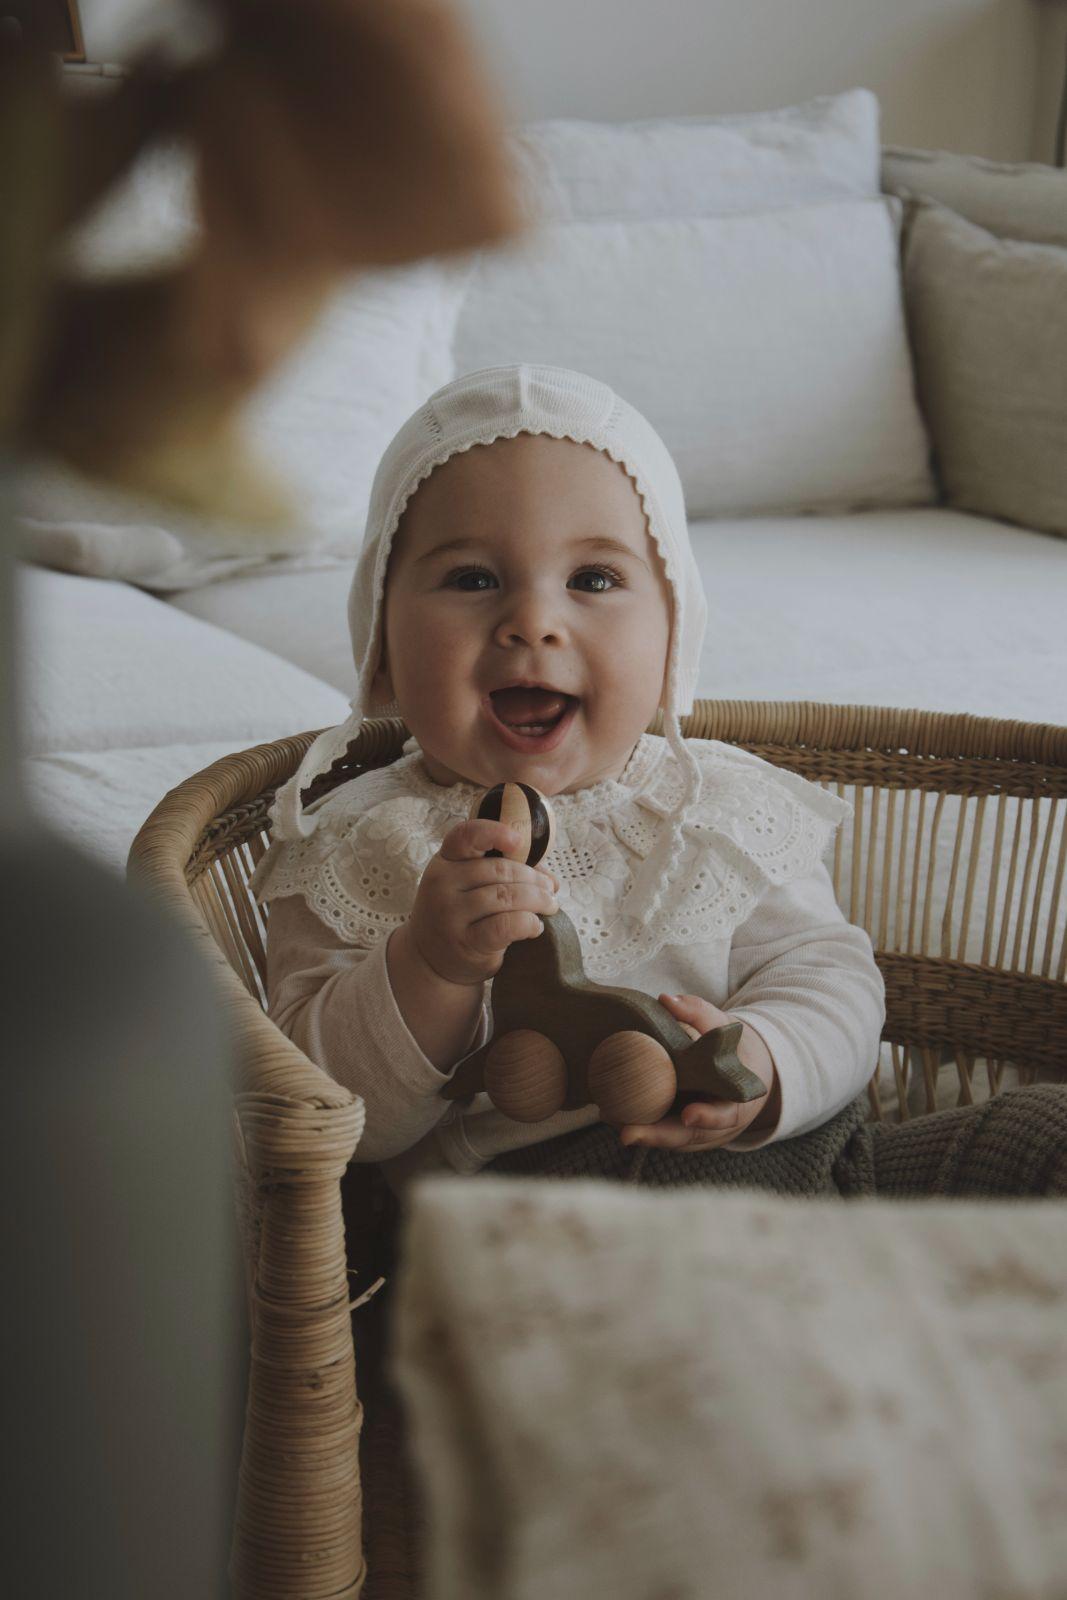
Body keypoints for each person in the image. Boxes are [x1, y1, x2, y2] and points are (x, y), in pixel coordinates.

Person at [251, 364, 1067, 1199]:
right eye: (472, 578)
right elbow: (330, 1112)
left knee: (1045, 1134)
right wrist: (430, 967)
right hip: (530, 1225)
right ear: (379, 638)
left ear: (675, 631)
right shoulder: (351, 843)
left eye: (593, 581)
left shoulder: (714, 806)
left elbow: (827, 978)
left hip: (814, 1176)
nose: (533, 621)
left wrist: (759, 1062)